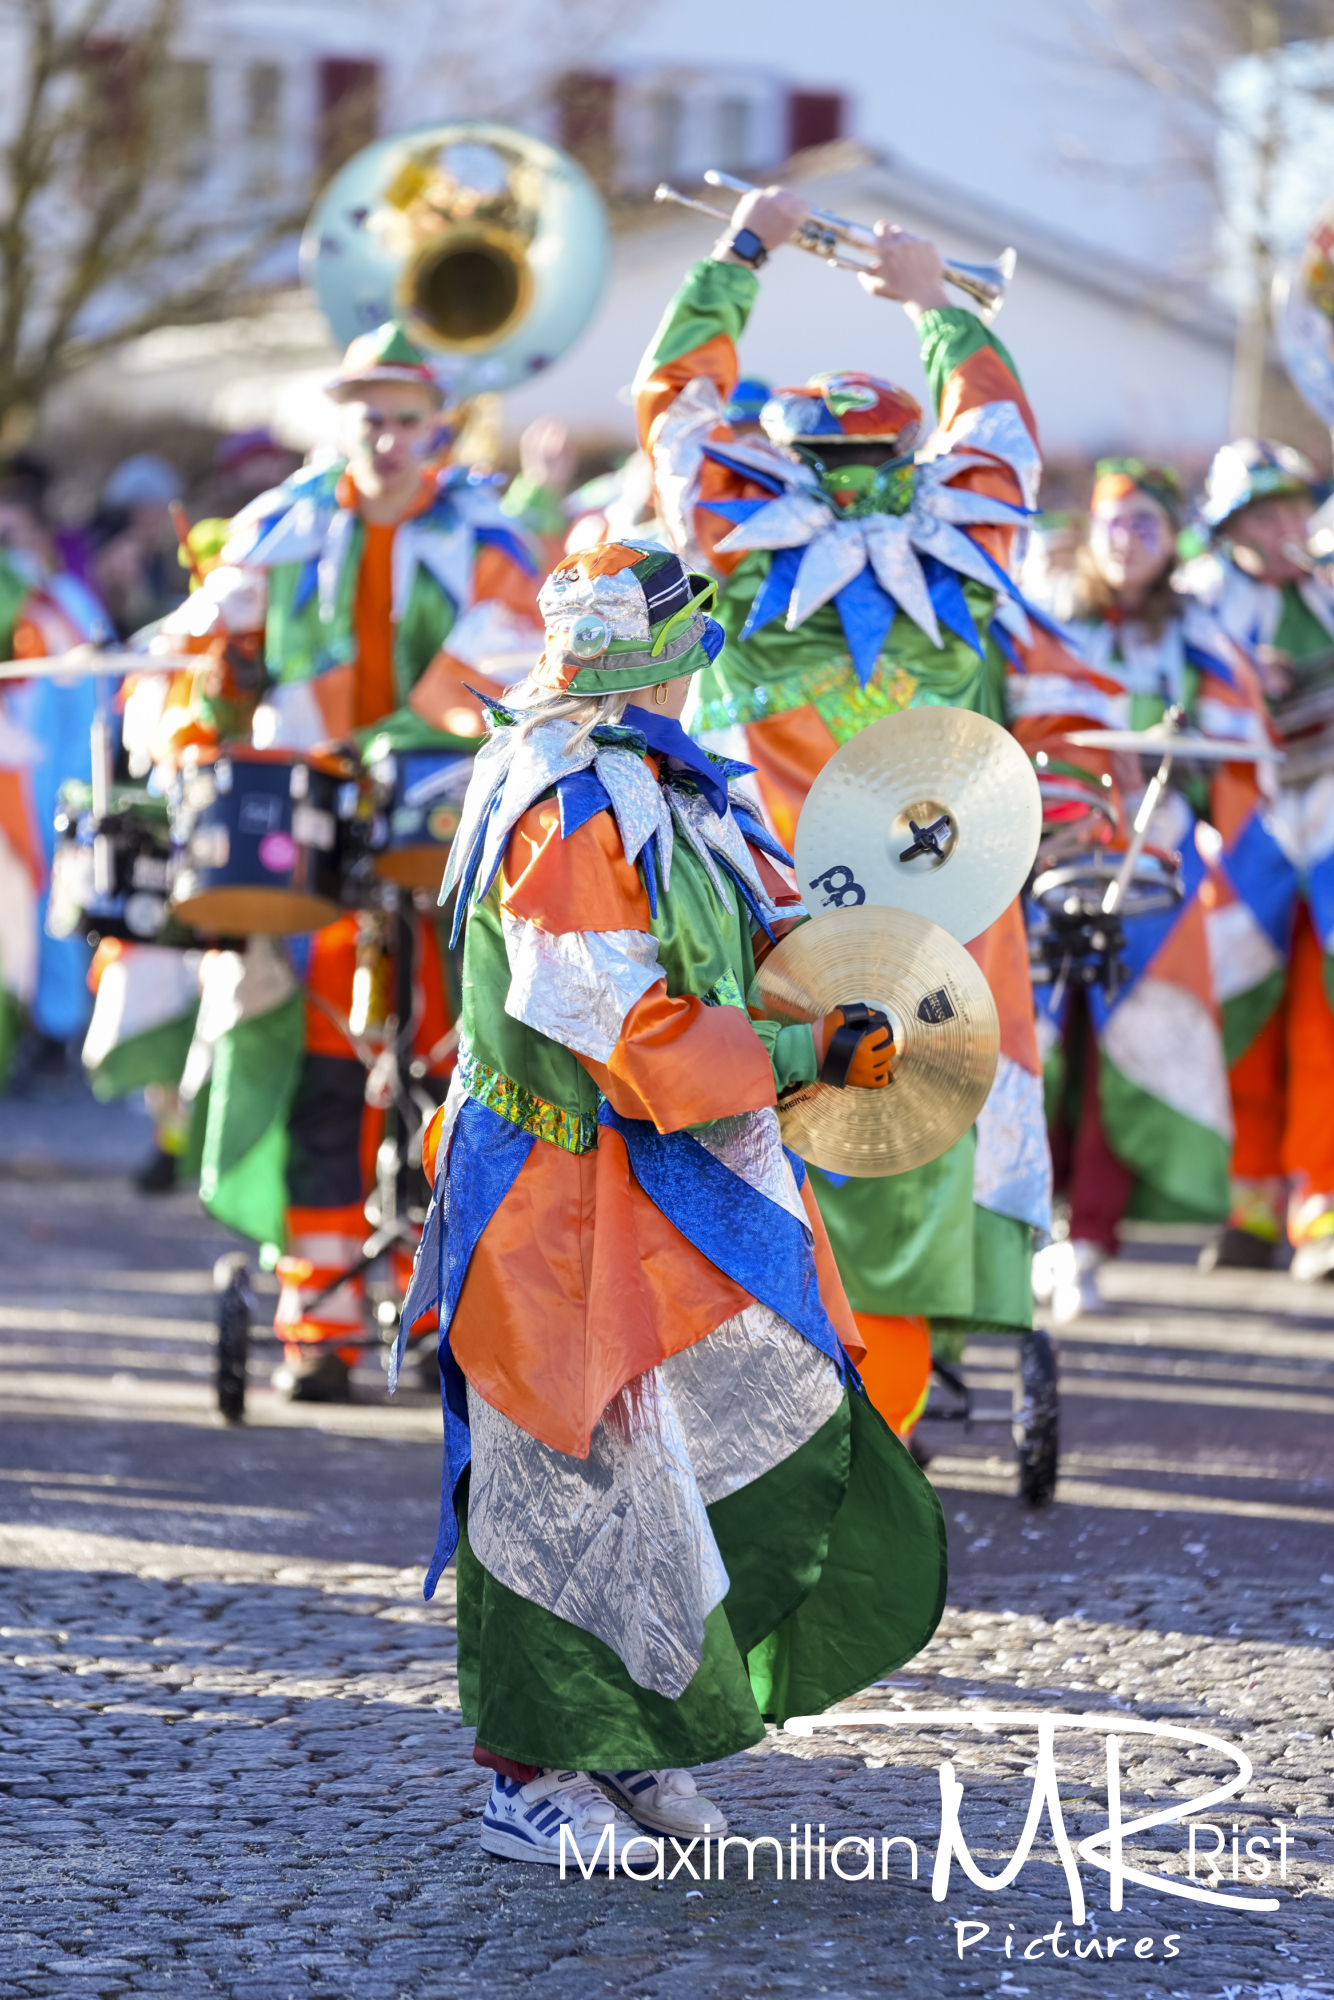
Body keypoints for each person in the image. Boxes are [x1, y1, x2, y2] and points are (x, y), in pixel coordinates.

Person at [398, 539, 946, 1864]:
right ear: (666, 663)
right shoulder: (562, 803)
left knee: (664, 1471)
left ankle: (626, 1744)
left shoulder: (671, 784)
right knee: (556, 1470)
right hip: (544, 1186)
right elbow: (615, 1024)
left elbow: (750, 942)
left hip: (656, 1189)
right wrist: (797, 1054)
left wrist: (842, 989)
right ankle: (527, 1772)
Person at [634, 183, 1049, 1440]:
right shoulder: (976, 526)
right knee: (910, 1165)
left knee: (769, 1146)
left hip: (766, 908)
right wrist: (932, 305)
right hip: (947, 909)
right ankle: (885, 1427)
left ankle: (785, 1431)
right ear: (904, 457)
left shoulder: (733, 533)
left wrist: (744, 250)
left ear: (787, 457)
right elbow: (1000, 422)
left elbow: (673, 400)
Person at [84, 322, 545, 1397]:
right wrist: (197, 667)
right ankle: (320, 1316)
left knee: (459, 1067)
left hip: (447, 835)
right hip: (306, 839)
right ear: (340, 422)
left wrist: (361, 720)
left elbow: (520, 653)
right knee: (321, 1070)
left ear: (438, 426)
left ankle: (448, 1307)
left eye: (404, 419)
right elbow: (204, 650)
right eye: (366, 418)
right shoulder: (281, 523)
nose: (385, 438)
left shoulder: (484, 529)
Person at [1013, 460, 1232, 1316]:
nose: (1129, 541)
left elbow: (1232, 737)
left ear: (1172, 538)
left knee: (1123, 1044)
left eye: (1148, 524)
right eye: (1116, 523)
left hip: (1154, 863)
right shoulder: (1048, 620)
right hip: (1050, 853)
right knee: (1044, 1041)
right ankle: (1036, 1221)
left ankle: (1093, 1235)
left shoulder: (1198, 632)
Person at [1181, 438, 1334, 1277]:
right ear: (1232, 526)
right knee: (1242, 1012)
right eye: (1267, 513)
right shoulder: (1198, 605)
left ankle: (1321, 1200)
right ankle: (1248, 1202)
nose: (1287, 527)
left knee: (1326, 1008)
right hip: (1243, 833)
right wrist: (1240, 681)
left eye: (1292, 509)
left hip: (1332, 820)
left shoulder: (1327, 583)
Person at [0, 455, 114, 1088]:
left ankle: (56, 1029)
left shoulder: (64, 603)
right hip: (16, 790)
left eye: (11, 537)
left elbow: (95, 693)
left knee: (55, 907)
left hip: (56, 789)